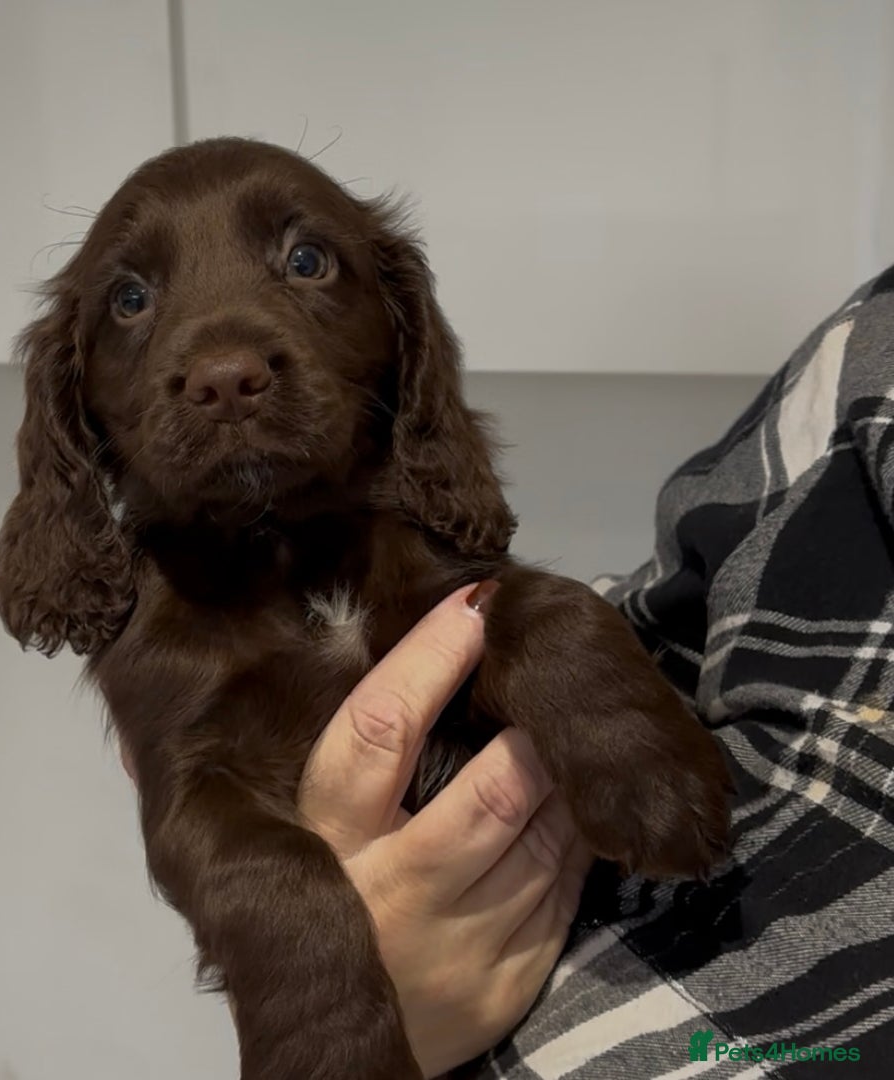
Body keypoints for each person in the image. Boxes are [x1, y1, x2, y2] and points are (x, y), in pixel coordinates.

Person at [128, 266, 894, 1078]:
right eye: (132, 296)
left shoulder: (410, 543)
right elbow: (203, 812)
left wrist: (551, 639)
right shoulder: (166, 632)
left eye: (308, 262)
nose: (225, 370)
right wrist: (330, 1003)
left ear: (403, 338)